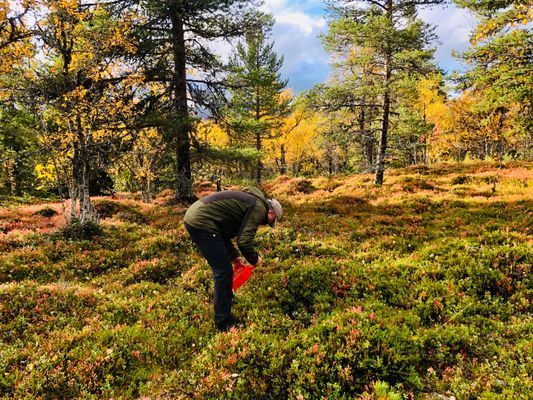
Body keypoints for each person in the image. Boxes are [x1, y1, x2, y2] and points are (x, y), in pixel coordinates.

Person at [183, 186, 283, 331]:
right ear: (271, 211)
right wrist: (255, 260)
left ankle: (224, 305)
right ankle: (224, 323)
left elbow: (222, 231)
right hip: (202, 221)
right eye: (271, 220)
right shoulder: (259, 208)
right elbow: (244, 241)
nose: (266, 224)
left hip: (197, 217)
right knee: (223, 272)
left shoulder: (252, 202)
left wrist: (235, 256)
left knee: (224, 270)